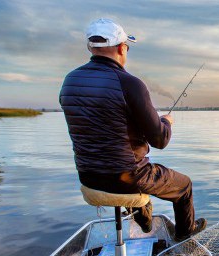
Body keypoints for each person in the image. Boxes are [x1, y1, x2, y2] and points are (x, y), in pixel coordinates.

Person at [59, 18, 205, 241]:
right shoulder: (129, 83)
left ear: (91, 47)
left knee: (136, 175)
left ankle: (143, 216)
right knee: (184, 186)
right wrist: (166, 122)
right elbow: (160, 140)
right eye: (127, 46)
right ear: (121, 48)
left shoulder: (70, 81)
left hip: (88, 177)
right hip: (128, 178)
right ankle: (185, 236)